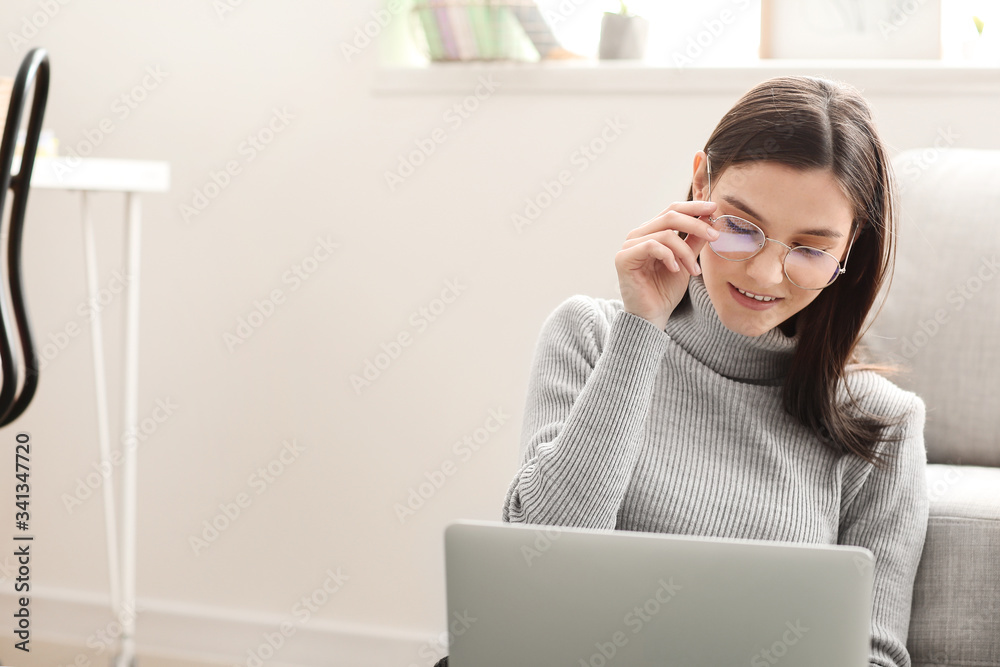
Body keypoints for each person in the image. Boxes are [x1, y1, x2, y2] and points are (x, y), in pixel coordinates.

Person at [497, 75, 930, 667]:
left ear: (852, 248)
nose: (765, 274)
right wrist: (641, 328)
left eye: (809, 249)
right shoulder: (592, 337)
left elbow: (876, 654)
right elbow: (541, 560)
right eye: (741, 227)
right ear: (701, 181)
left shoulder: (882, 422)